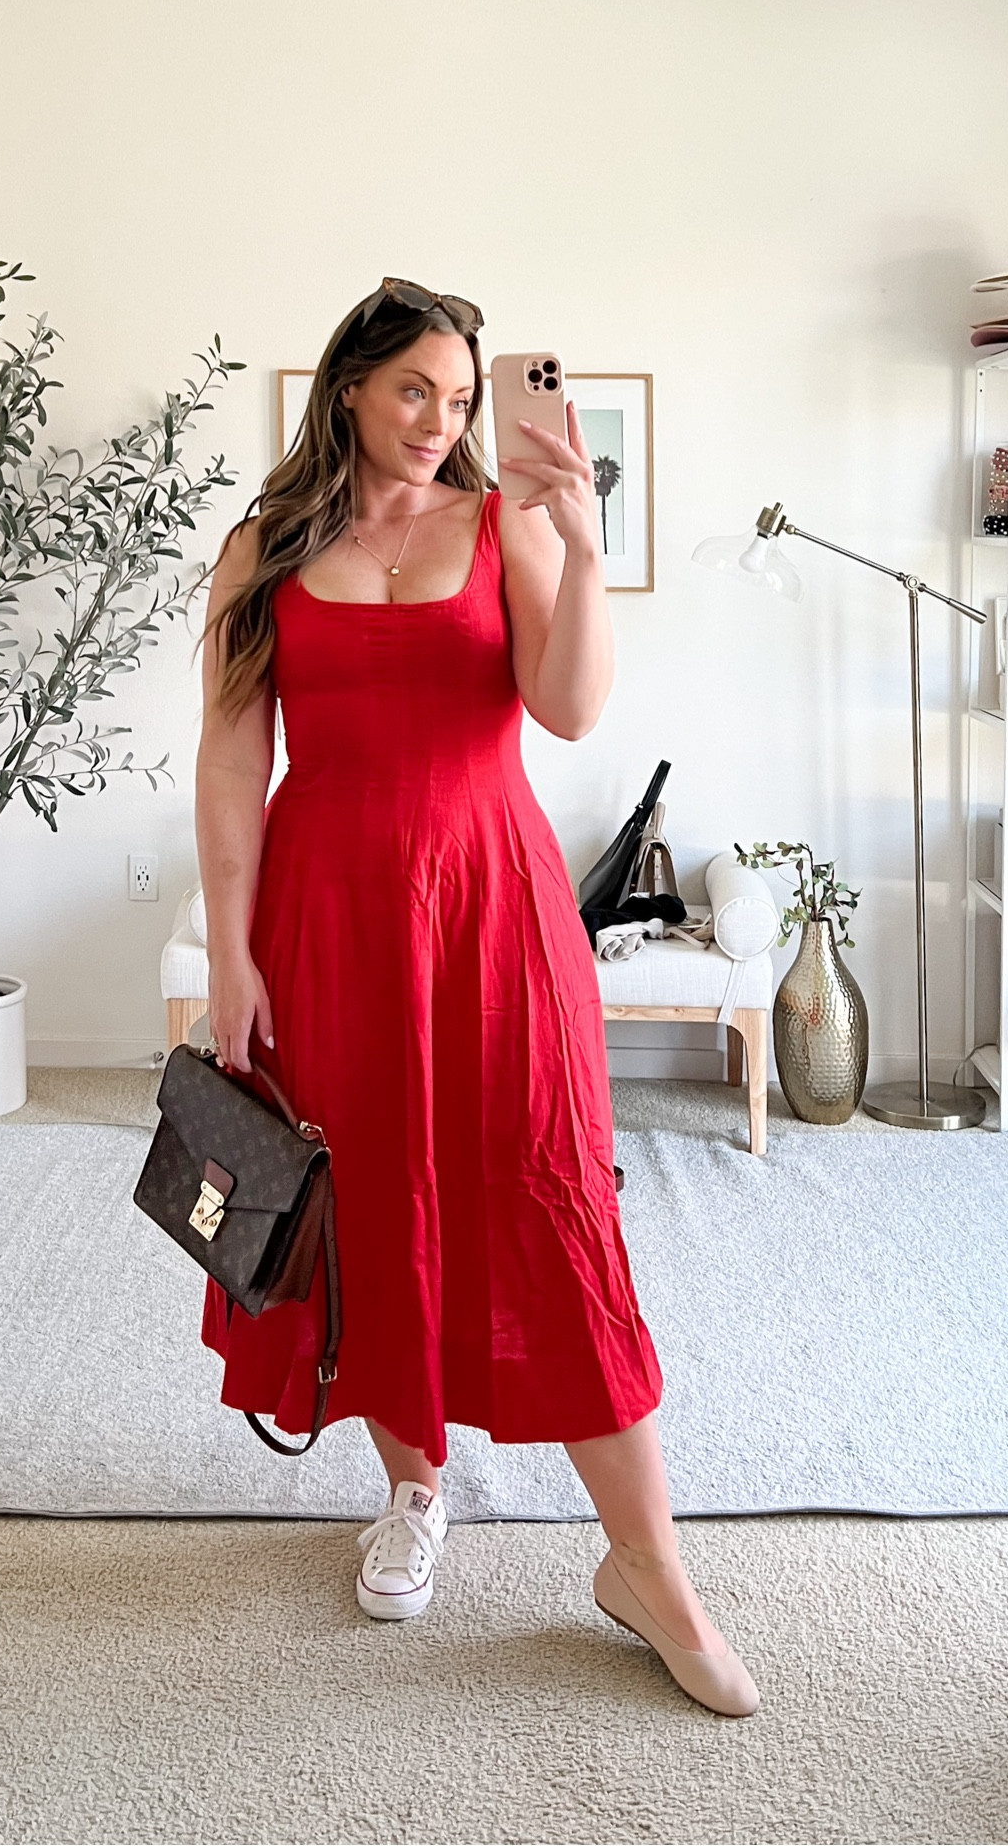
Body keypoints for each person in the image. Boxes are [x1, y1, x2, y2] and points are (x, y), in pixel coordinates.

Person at [194, 278, 758, 1717]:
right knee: (369, 1200)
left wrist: (576, 536)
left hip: (495, 914)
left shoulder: (503, 521)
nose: (443, 424)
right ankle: (415, 1487)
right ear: (348, 395)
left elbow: (569, 708)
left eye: (460, 398)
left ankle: (648, 1565)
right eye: (413, 395)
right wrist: (231, 951)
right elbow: (227, 760)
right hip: (324, 918)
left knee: (549, 1203)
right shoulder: (264, 548)